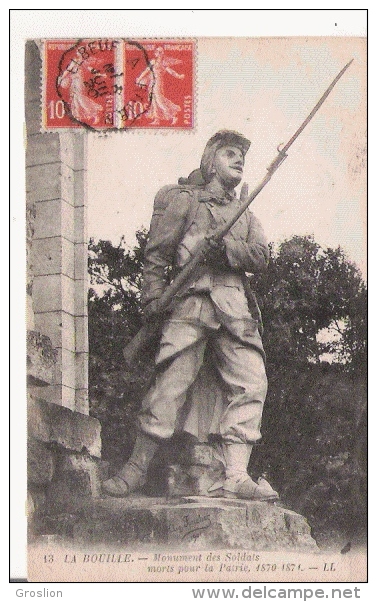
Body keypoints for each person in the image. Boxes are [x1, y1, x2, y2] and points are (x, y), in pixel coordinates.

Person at [102, 130, 279, 501]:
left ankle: (235, 474)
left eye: (241, 156)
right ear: (211, 159)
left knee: (252, 383)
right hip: (191, 303)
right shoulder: (185, 202)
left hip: (235, 312)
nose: (238, 160)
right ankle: (135, 469)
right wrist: (152, 301)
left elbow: (261, 257)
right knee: (171, 385)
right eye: (229, 153)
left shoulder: (246, 213)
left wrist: (225, 248)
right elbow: (157, 255)